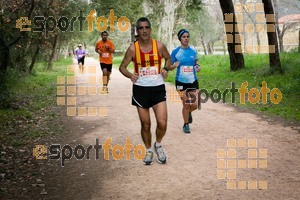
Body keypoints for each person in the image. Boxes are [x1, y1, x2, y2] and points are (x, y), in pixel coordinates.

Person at [119, 17, 171, 165]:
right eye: (141, 28)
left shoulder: (159, 46)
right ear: (137, 31)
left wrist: (166, 68)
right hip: (140, 90)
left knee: (162, 122)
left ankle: (158, 145)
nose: (144, 31)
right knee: (145, 124)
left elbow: (168, 59)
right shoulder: (132, 49)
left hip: (157, 89)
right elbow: (122, 67)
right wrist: (131, 75)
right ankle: (148, 150)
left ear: (150, 29)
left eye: (146, 27)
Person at [169, 29, 201, 134]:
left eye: (187, 36)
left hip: (192, 80)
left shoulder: (193, 51)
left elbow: (196, 62)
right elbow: (169, 67)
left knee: (196, 104)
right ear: (180, 39)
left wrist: (197, 66)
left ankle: (188, 113)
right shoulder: (175, 52)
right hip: (180, 82)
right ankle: (186, 124)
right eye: (184, 37)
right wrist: (174, 65)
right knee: (186, 104)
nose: (186, 38)